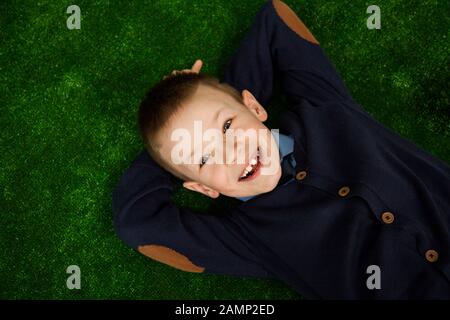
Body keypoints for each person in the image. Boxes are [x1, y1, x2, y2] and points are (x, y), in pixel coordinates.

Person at [112, 0, 450, 299]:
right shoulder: (246, 238)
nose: (232, 152)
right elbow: (135, 221)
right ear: (203, 188)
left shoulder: (320, 106)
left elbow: (274, 19)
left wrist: (201, 96)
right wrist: (168, 142)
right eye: (204, 157)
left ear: (256, 106)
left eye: (227, 126)